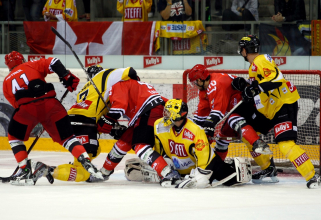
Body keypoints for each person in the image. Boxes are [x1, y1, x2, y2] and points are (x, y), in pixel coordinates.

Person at [3, 51, 103, 185]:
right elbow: (54, 61)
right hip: (51, 105)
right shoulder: (32, 64)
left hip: (27, 109)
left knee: (14, 138)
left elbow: (18, 105)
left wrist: (38, 117)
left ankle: (24, 169)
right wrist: (65, 76)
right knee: (68, 138)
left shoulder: (6, 82)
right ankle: (85, 160)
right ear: (22, 59)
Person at [237, 35, 320, 189]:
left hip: (283, 105)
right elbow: (261, 84)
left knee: (285, 145)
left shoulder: (261, 60)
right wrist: (247, 86)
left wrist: (256, 88)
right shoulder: (255, 65)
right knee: (248, 134)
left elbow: (276, 79)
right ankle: (268, 169)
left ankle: (312, 176)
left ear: (243, 50)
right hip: (270, 110)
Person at [124, 99, 252, 188]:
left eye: (168, 112)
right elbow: (160, 151)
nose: (165, 115)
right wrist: (165, 170)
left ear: (177, 115)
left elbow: (204, 160)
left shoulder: (195, 130)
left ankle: (236, 167)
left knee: (231, 180)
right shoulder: (159, 125)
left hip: (208, 164)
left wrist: (200, 176)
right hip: (180, 169)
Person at [187, 64, 279, 184]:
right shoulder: (205, 89)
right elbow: (201, 116)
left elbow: (217, 112)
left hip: (255, 107)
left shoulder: (216, 83)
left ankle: (257, 143)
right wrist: (196, 130)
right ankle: (214, 168)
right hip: (240, 108)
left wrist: (209, 127)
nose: (194, 85)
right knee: (222, 139)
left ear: (200, 79)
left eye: (195, 82)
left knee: (233, 120)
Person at [46, 65, 137, 183]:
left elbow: (98, 118)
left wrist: (112, 129)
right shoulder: (105, 75)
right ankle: (46, 170)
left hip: (71, 120)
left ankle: (76, 165)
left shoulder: (85, 89)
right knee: (83, 173)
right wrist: (136, 84)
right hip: (84, 123)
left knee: (96, 149)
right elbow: (130, 71)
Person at [98, 78, 181, 183]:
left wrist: (109, 120)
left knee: (141, 145)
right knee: (124, 141)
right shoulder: (137, 85)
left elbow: (119, 107)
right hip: (150, 112)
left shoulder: (119, 84)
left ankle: (168, 173)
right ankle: (104, 172)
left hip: (149, 112)